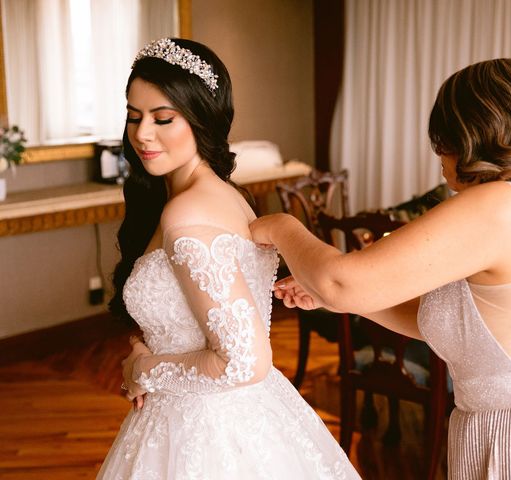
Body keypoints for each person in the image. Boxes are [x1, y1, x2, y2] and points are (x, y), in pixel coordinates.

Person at [250, 58, 511, 478]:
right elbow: (459, 326)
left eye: (443, 135)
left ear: (470, 133)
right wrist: (344, 300)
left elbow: (341, 278)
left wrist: (282, 225)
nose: (437, 149)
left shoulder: (498, 204)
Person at [98, 38, 360, 479]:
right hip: (242, 415)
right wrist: (146, 348)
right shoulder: (227, 196)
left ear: (201, 119)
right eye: (133, 115)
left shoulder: (187, 212)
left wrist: (144, 368)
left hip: (204, 430)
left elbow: (241, 361)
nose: (143, 133)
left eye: (163, 118)